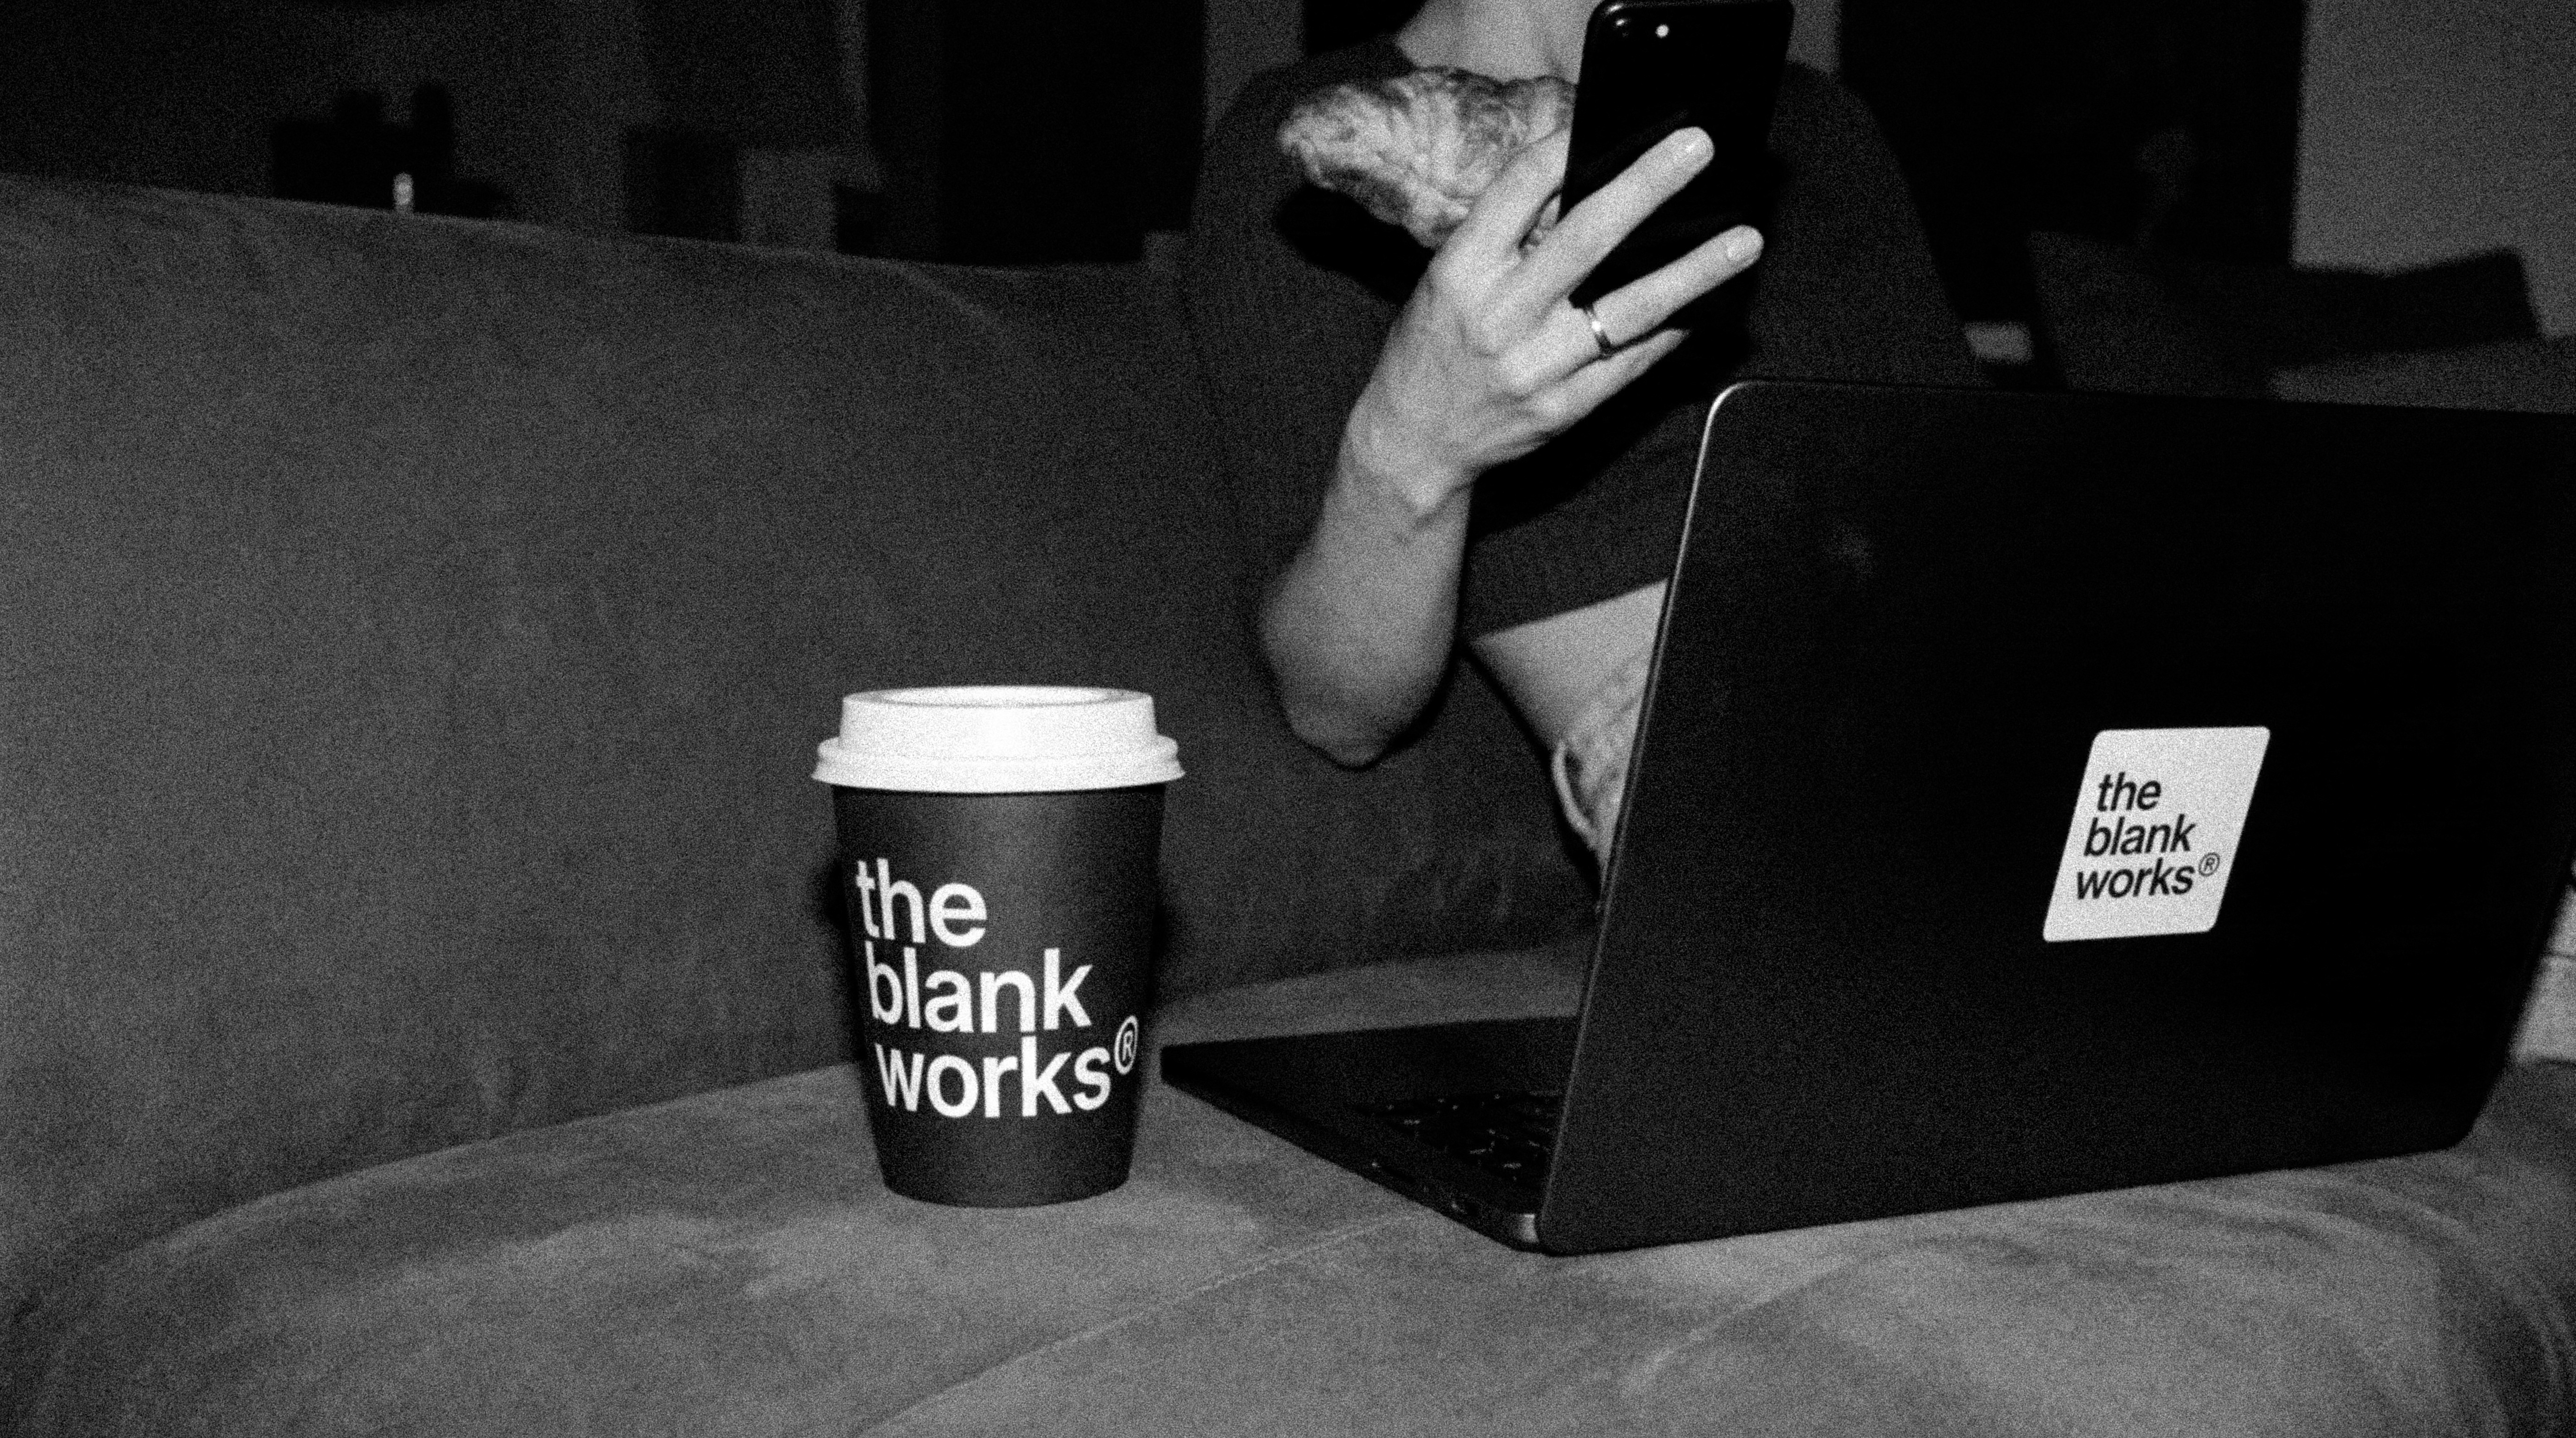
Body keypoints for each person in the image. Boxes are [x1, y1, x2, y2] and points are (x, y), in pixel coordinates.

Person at [1179, 0, 1978, 863]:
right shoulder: (1324, 151)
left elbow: (1980, 496)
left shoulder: (1816, 127)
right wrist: (1413, 444)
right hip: (1705, 756)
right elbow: (1339, 710)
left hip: (1963, 680)